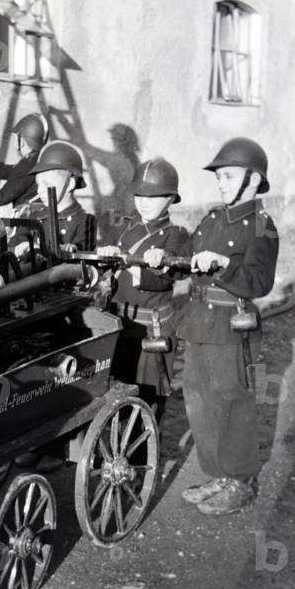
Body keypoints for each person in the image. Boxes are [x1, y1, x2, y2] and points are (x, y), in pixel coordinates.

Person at [147, 138, 279, 515]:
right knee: (199, 400)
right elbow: (189, 259)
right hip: (199, 321)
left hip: (232, 323)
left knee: (232, 401)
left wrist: (224, 264)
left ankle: (240, 480)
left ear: (253, 180)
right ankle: (217, 474)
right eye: (218, 176)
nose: (221, 183)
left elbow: (259, 282)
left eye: (228, 175)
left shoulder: (262, 227)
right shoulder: (212, 218)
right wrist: (166, 260)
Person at [97, 158, 190, 419]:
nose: (143, 202)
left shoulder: (176, 234)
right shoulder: (127, 227)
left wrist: (156, 260)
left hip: (151, 333)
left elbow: (168, 275)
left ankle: (141, 458)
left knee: (147, 401)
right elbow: (115, 262)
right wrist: (110, 255)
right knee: (117, 396)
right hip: (121, 325)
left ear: (171, 199)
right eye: (139, 194)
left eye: (153, 196)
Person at [12, 140, 96, 257]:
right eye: (38, 184)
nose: (39, 190)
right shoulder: (34, 217)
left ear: (70, 184)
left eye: (46, 184)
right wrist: (20, 246)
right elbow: (14, 244)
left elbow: (83, 255)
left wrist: (68, 250)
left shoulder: (85, 221)